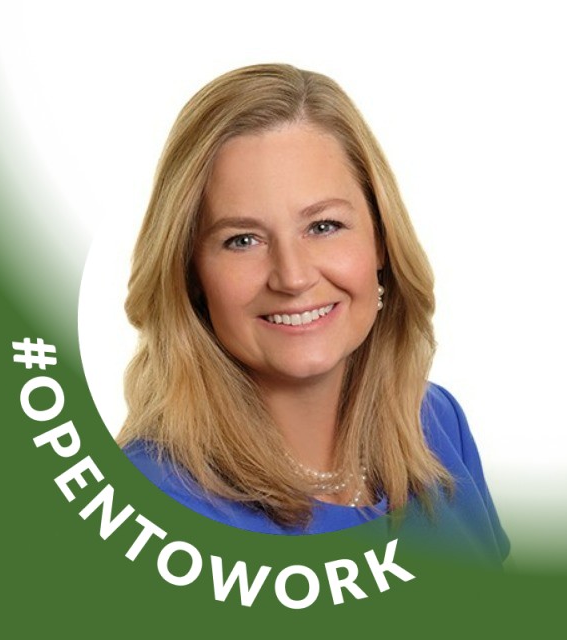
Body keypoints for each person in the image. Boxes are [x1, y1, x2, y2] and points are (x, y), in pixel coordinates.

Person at [118, 63, 509, 564]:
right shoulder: (149, 504)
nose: (293, 276)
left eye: (323, 226)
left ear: (381, 239)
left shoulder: (436, 423)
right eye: (242, 239)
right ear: (190, 274)